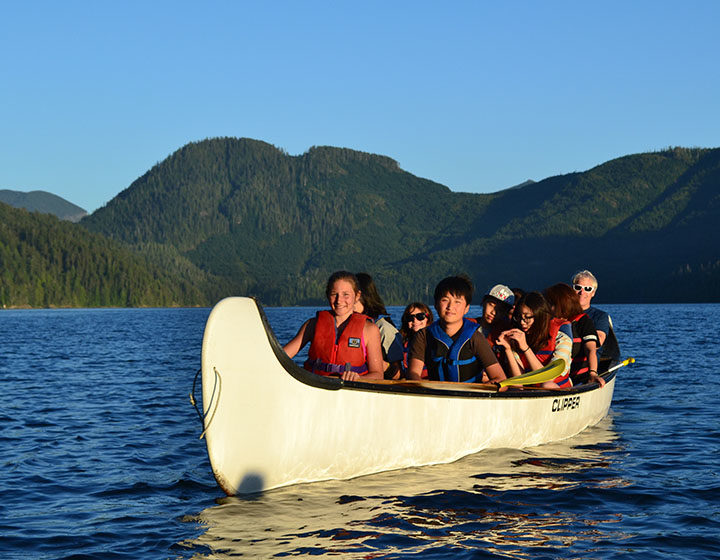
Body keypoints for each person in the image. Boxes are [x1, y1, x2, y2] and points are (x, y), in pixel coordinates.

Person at [283, 271, 384, 381]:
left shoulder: (370, 330)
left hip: (351, 390)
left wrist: (359, 378)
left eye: (346, 294)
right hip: (315, 387)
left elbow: (378, 375)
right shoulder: (312, 325)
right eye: (334, 294)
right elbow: (281, 357)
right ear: (327, 295)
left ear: (357, 296)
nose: (339, 300)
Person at [407, 276, 506, 384]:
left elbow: (500, 378)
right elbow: (413, 374)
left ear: (467, 308)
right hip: (435, 396)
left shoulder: (475, 338)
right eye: (445, 300)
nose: (450, 306)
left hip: (470, 396)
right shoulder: (423, 336)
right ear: (436, 304)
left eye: (457, 302)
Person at [496, 291, 572, 388]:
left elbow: (547, 378)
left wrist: (525, 348)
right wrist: (508, 349)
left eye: (527, 317)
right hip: (532, 392)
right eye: (519, 317)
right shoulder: (517, 340)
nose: (522, 323)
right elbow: (518, 382)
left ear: (540, 316)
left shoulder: (562, 340)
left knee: (547, 385)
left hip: (557, 391)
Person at [544, 283, 603, 387]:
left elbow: (591, 349)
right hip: (552, 376)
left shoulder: (582, 321)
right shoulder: (548, 322)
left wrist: (593, 373)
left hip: (579, 378)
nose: (546, 308)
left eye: (550, 304)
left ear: (561, 304)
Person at [354, 272, 405, 379]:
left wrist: (375, 360)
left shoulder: (384, 328)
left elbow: (398, 374)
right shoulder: (347, 325)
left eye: (355, 298)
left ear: (364, 297)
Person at [571, 270, 621, 364]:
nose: (582, 292)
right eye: (578, 287)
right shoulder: (561, 314)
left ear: (593, 293)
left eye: (588, 289)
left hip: (586, 367)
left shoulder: (600, 316)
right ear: (572, 290)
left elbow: (598, 342)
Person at [400, 302, 434, 378]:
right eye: (410, 318)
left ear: (428, 319)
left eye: (420, 316)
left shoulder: (434, 339)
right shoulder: (402, 341)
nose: (415, 320)